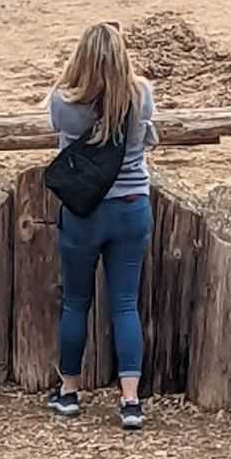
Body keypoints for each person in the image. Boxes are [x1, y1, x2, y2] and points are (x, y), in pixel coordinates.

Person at [47, 23, 156, 431]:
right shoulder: (141, 94)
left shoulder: (64, 101)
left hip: (84, 211)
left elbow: (54, 122)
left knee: (76, 302)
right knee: (125, 304)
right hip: (131, 207)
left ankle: (70, 391)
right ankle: (130, 401)